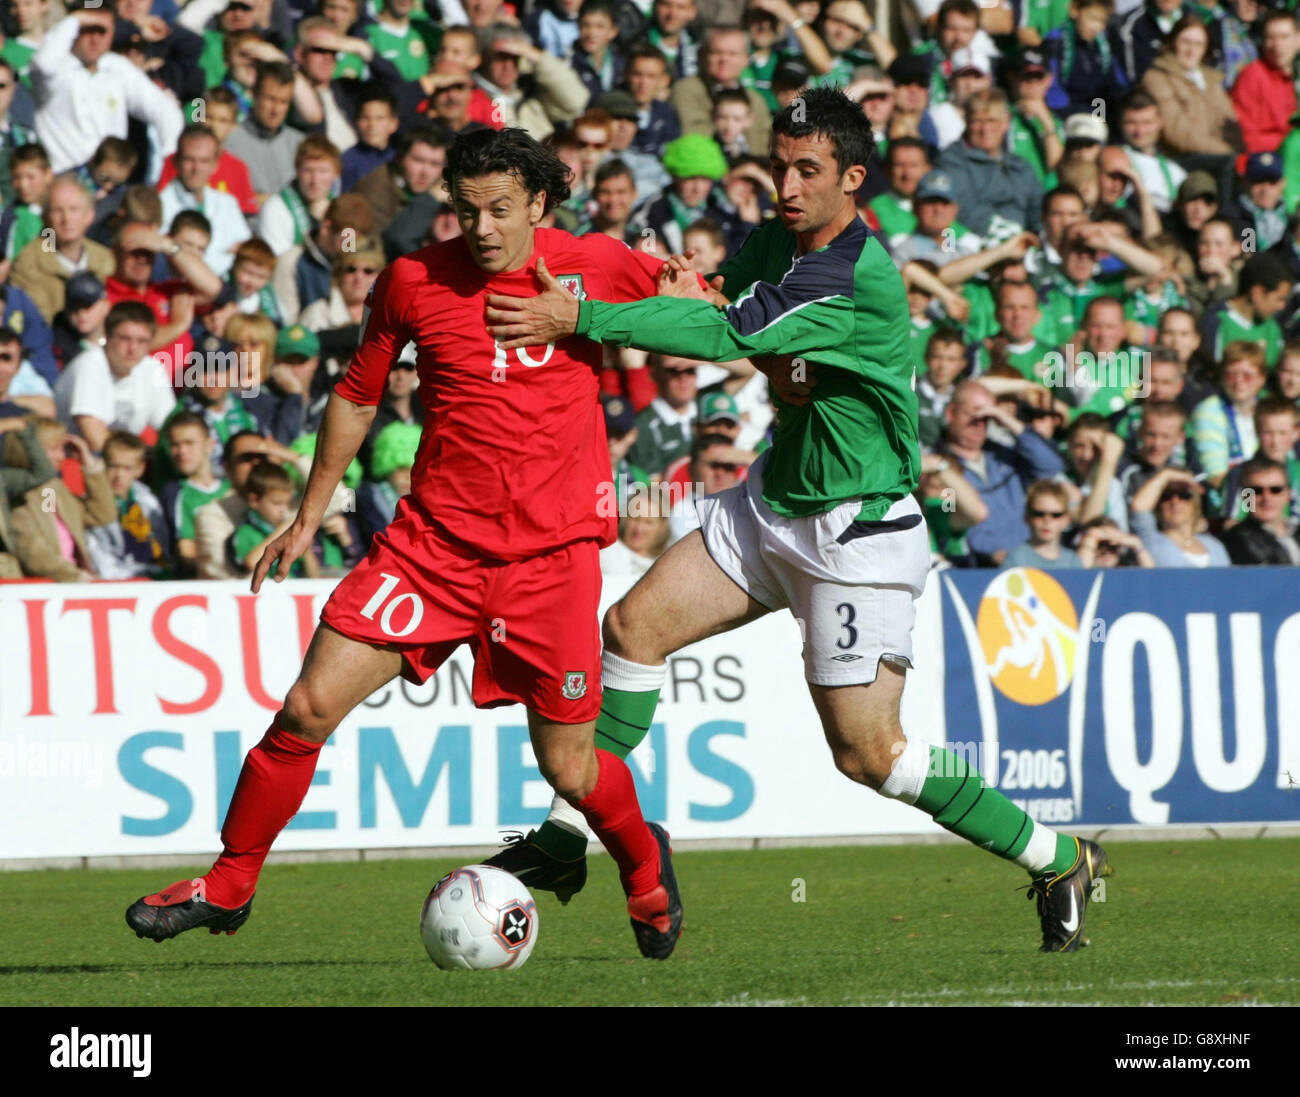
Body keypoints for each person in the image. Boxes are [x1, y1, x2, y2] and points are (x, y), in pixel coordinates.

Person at [483, 87, 1111, 953]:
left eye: (808, 170)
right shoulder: (781, 237)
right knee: (629, 630)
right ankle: (563, 840)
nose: (787, 183)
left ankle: (1057, 853)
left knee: (870, 755)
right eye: (780, 165)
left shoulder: (847, 272)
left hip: (856, 533)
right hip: (774, 503)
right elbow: (719, 295)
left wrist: (580, 316)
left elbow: (731, 333)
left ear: (853, 179)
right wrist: (681, 281)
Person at [126, 126, 683, 962]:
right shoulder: (413, 278)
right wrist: (312, 512)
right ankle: (230, 880)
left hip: (549, 562)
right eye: (466, 211)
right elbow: (357, 390)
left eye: (500, 209)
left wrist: (646, 302)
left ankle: (645, 867)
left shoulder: (596, 261)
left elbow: (706, 314)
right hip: (431, 552)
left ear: (538, 202)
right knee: (308, 704)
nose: (484, 228)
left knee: (570, 769)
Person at [30, 2, 183, 175]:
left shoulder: (118, 67)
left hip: (111, 182)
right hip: (64, 181)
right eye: (88, 29)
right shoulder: (56, 68)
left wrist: (169, 164)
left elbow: (165, 111)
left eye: (102, 31)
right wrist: (76, 18)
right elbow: (42, 64)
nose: (95, 39)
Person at [1129, 465, 1231, 565]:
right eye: (1166, 496)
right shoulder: (1151, 540)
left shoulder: (1214, 546)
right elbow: (1138, 507)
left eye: (1183, 495)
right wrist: (1166, 475)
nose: (1175, 502)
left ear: (1194, 502)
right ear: (1158, 505)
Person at [1220, 455, 1300, 564]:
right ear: (1245, 495)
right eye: (1256, 491)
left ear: (1288, 494)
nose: (1266, 498)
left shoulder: (1296, 533)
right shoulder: (1237, 540)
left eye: (1275, 490)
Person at [1004, 479, 1093, 569]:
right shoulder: (1015, 559)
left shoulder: (1073, 562)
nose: (1047, 521)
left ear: (1067, 520)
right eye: (1039, 514)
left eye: (1056, 515)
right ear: (1027, 517)